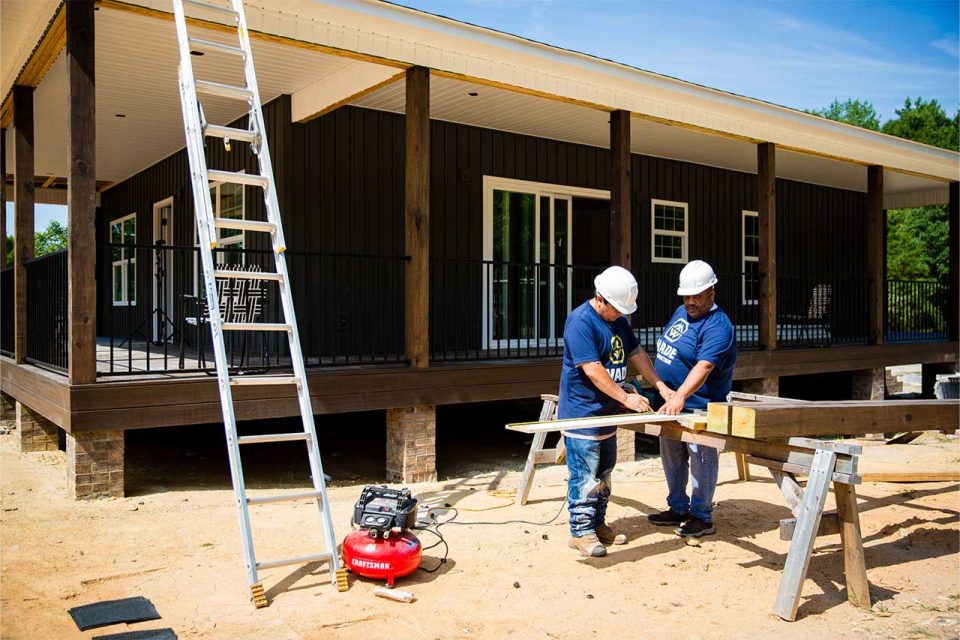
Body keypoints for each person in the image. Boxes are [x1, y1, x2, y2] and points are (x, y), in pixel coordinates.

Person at [560, 266, 673, 558]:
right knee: (585, 476)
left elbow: (637, 355)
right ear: (601, 299)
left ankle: (597, 525)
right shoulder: (580, 322)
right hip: (583, 414)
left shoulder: (618, 321)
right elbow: (593, 370)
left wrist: (660, 386)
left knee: (605, 474)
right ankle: (580, 531)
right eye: (617, 309)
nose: (621, 314)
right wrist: (626, 396)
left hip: (608, 413)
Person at [648, 260, 737, 538]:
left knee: (702, 458)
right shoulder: (681, 312)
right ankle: (678, 507)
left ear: (712, 292)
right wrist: (665, 391)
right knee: (671, 455)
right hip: (670, 402)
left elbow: (704, 366)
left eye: (696, 296)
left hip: (699, 406)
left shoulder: (718, 327)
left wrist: (681, 396)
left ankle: (702, 515)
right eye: (686, 296)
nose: (690, 301)